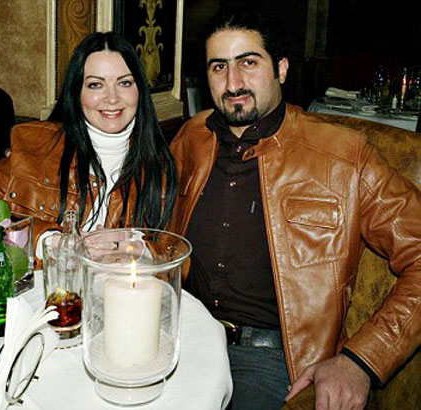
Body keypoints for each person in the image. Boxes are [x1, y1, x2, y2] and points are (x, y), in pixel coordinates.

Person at [169, 7, 421, 410]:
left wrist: (362, 360)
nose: (233, 83)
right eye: (219, 67)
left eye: (248, 63)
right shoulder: (191, 138)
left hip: (273, 362)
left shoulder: (343, 156)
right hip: (183, 338)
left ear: (281, 69)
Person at [0, 32, 177, 261]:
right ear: (77, 93)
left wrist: (136, 250)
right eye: (96, 85)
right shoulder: (32, 146)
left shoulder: (161, 168)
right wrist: (48, 242)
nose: (112, 98)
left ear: (140, 90)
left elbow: (176, 253)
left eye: (124, 83)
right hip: (39, 283)